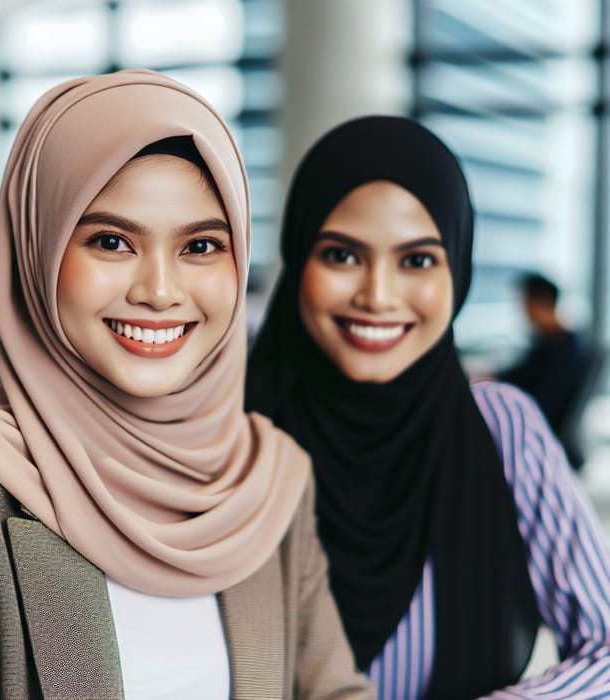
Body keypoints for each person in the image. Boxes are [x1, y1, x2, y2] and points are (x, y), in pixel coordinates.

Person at [0, 70, 373, 699]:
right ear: (36, 252)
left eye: (202, 246)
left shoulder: (268, 478)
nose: (158, 291)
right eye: (111, 241)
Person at [246, 116, 610, 699]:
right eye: (342, 255)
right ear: (299, 257)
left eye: (417, 260)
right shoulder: (231, 430)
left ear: (457, 270)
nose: (377, 297)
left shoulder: (502, 430)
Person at [497, 272, 592, 466]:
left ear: (541, 304)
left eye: (525, 304)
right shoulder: (548, 342)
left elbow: (544, 401)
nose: (523, 312)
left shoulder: (562, 349)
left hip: (539, 433)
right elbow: (519, 375)